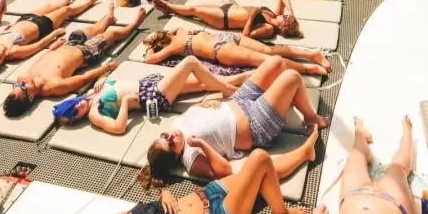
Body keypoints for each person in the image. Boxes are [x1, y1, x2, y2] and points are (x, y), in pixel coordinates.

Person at [140, 56, 328, 184]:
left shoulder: (176, 126)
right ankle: (310, 116)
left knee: (276, 62)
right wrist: (201, 144)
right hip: (256, 126)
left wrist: (202, 105)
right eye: (171, 144)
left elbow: (193, 116)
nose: (171, 136)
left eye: (165, 136)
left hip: (238, 100)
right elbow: (225, 171)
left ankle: (283, 98)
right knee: (291, 77)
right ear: (175, 156)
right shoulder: (191, 159)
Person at [315, 116, 428, 214]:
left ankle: (360, 133)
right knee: (398, 167)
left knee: (356, 156)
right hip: (393, 202)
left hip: (353, 195)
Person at [2, 4, 147, 117]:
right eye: (24, 88)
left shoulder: (24, 78)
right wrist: (107, 68)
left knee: (94, 28)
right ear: (31, 97)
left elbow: (41, 61)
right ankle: (134, 24)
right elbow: (83, 78)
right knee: (112, 33)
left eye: (18, 84)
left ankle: (109, 19)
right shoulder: (54, 86)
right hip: (87, 52)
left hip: (68, 44)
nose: (23, 83)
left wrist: (52, 47)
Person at [52, 54, 250, 134]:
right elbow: (118, 128)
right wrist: (126, 103)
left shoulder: (90, 95)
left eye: (74, 106)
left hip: (151, 84)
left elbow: (111, 82)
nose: (79, 109)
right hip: (154, 95)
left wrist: (101, 80)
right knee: (190, 62)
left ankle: (248, 77)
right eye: (76, 114)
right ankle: (228, 90)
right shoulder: (94, 114)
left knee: (203, 83)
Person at [117, 149, 307, 214]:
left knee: (262, 171)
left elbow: (155, 209)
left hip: (208, 193)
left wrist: (165, 193)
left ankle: (305, 153)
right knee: (260, 159)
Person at [0, 0, 101, 78]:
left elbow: (0, 37)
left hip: (25, 19)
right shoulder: (13, 52)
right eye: (1, 58)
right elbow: (38, 46)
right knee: (66, 10)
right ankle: (90, 1)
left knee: (56, 4)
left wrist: (7, 28)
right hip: (43, 25)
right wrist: (54, 34)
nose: (1, 53)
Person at [142, 27, 330, 75]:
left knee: (264, 59)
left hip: (221, 50)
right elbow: (173, 29)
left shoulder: (174, 46)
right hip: (226, 37)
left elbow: (150, 60)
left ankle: (308, 69)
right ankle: (311, 54)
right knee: (269, 50)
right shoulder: (181, 32)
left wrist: (150, 46)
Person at [150, 0, 301, 40]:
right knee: (196, 8)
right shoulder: (275, 14)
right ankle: (169, 10)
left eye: (287, 18)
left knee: (193, 10)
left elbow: (246, 35)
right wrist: (292, 12)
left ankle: (167, 6)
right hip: (228, 8)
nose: (286, 15)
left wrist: (253, 15)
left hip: (224, 19)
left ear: (283, 26)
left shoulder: (269, 28)